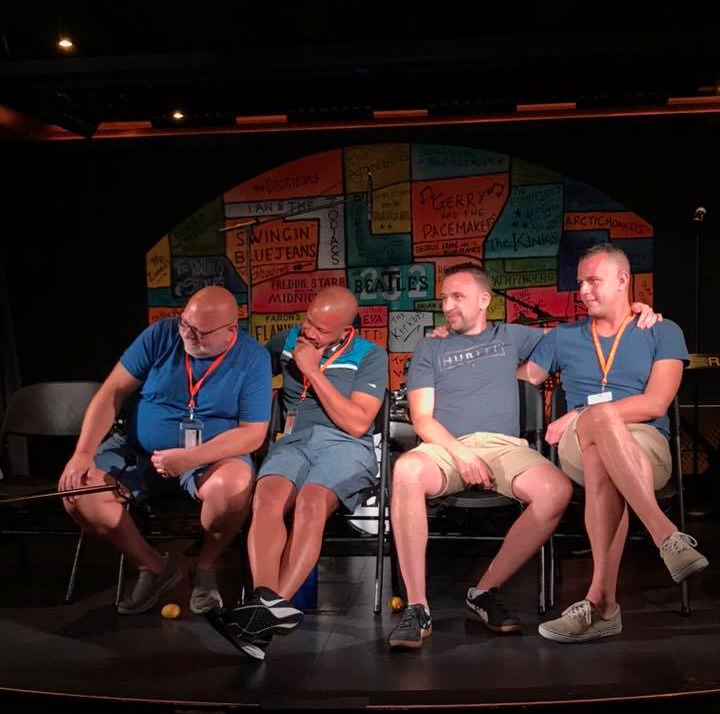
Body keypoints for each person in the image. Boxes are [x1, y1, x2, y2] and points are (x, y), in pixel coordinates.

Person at [520, 242, 708, 643]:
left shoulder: (661, 330)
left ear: (623, 280)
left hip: (645, 442)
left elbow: (657, 402)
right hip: (575, 441)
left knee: (603, 450)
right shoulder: (563, 336)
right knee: (598, 430)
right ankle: (665, 535)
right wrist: (470, 335)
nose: (584, 290)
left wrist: (581, 412)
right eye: (580, 283)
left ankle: (602, 604)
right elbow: (524, 377)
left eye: (593, 280)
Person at [388, 263, 574, 649]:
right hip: (444, 446)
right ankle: (417, 607)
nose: (448, 305)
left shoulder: (511, 336)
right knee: (405, 470)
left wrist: (640, 312)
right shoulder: (431, 346)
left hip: (503, 447)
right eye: (445, 298)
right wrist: (460, 453)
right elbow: (422, 418)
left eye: (457, 297)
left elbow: (574, 336)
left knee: (556, 489)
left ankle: (484, 593)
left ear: (484, 300)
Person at [59, 286, 271, 619]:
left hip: (207, 457)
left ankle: (205, 565)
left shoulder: (252, 357)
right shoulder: (160, 335)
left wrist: (190, 458)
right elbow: (112, 391)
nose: (187, 334)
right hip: (138, 452)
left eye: (199, 332)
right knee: (79, 491)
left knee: (234, 487)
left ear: (231, 331)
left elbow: (252, 434)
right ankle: (154, 567)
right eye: (185, 324)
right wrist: (82, 452)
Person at [207, 285, 388, 659]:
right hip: (292, 441)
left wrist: (311, 371)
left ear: (344, 331)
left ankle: (266, 614)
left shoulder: (370, 355)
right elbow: (242, 371)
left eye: (321, 330)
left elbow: (357, 424)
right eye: (308, 321)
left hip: (344, 446)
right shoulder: (285, 341)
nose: (309, 332)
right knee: (267, 498)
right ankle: (265, 609)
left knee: (310, 502)